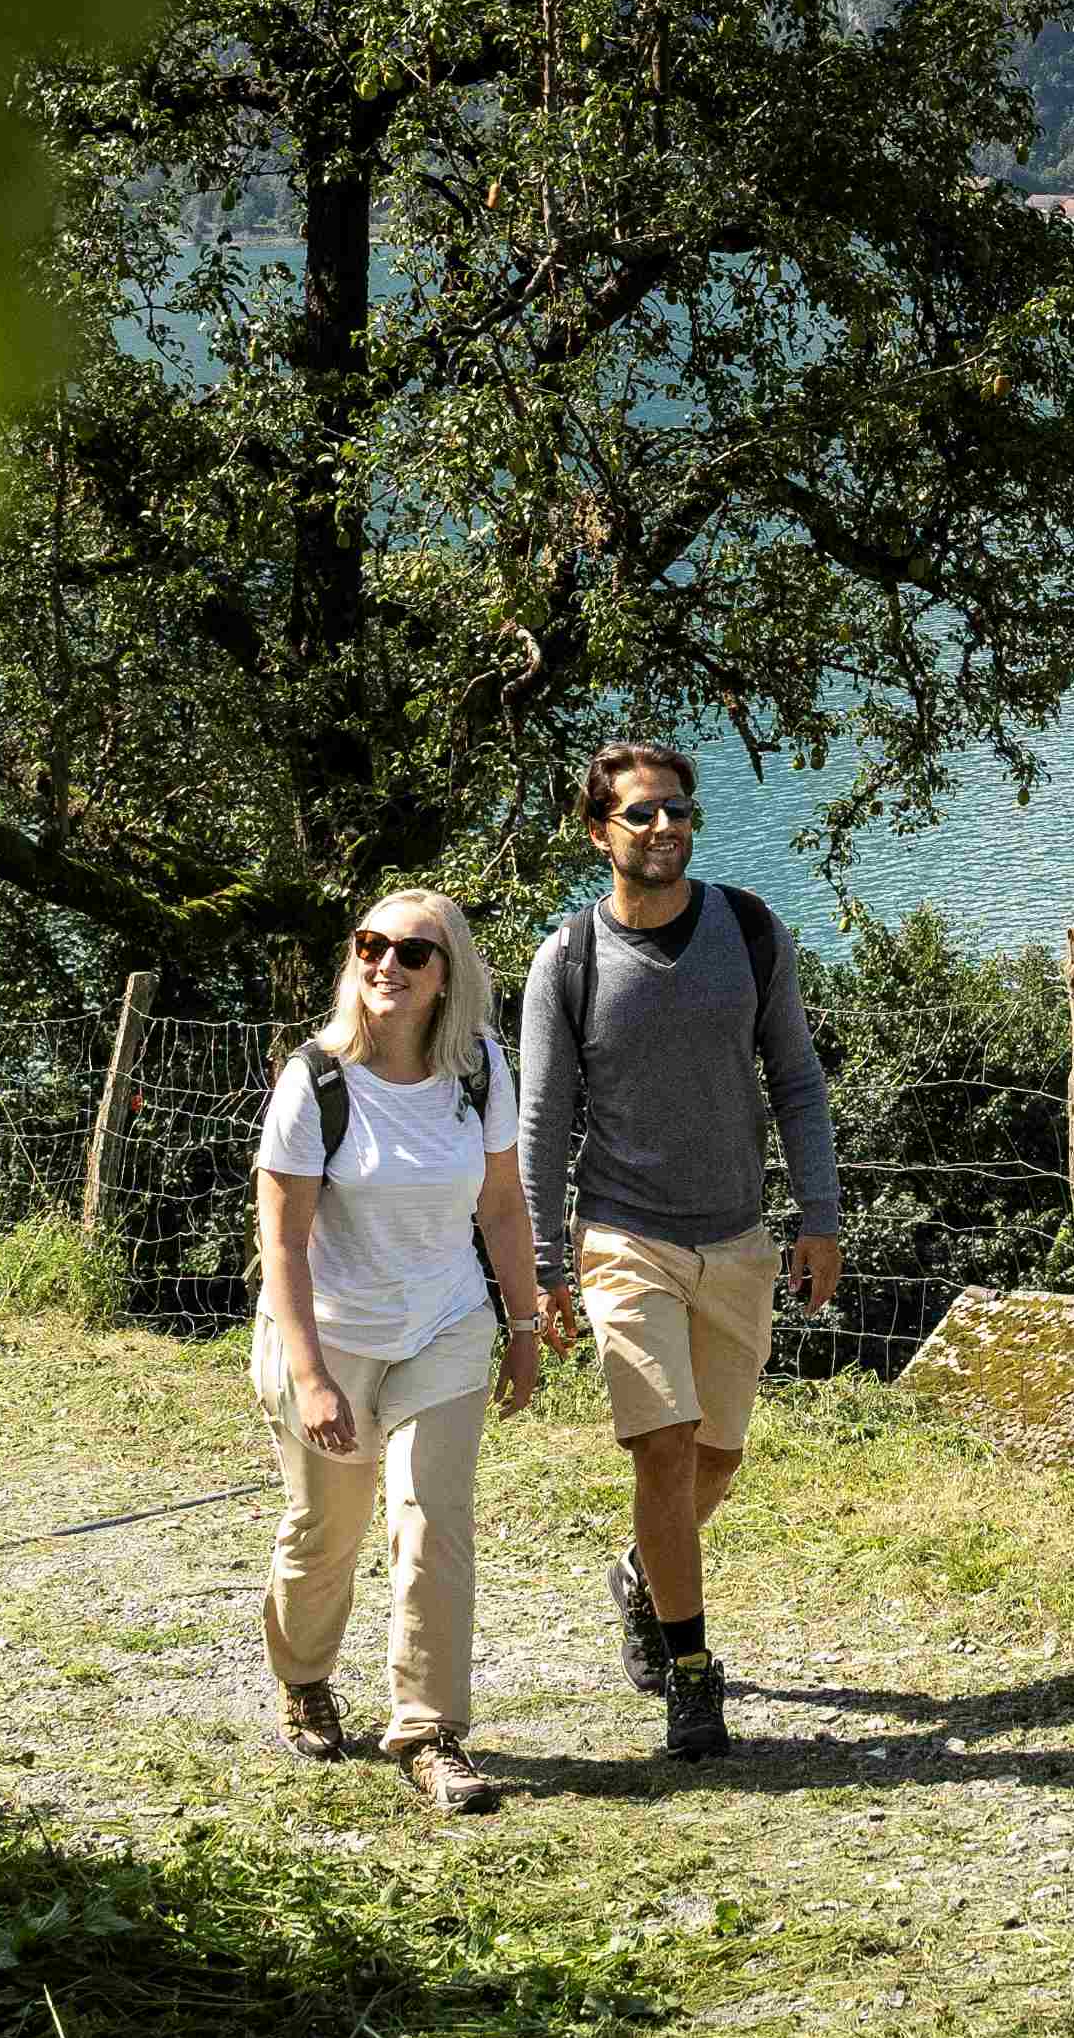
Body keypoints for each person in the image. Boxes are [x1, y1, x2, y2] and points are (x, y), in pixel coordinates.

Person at [513, 739, 839, 1766]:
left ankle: (642, 1572)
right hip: (624, 1237)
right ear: (598, 831)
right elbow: (541, 1121)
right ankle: (692, 1676)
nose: (666, 829)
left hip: (738, 1238)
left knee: (716, 1458)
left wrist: (819, 1214)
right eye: (643, 814)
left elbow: (796, 1078)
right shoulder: (568, 959)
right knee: (662, 1443)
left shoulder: (747, 929)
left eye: (679, 810)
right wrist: (543, 1268)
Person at [253, 885, 557, 1818]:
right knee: (325, 1535)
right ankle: (304, 1678)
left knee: (431, 1525)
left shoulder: (479, 1070)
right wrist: (309, 1376)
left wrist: (523, 1326)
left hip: (445, 1328)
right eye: (370, 946)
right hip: (329, 1335)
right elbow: (285, 1242)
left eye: (411, 953)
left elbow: (501, 1207)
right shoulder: (317, 1079)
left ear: (446, 975)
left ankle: (429, 1732)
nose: (386, 964)